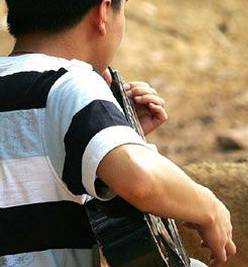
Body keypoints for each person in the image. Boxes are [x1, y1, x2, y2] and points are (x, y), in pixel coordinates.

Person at [0, 0, 236, 267]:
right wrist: (209, 207)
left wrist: (119, 136)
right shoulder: (71, 83)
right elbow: (141, 183)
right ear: (103, 12)